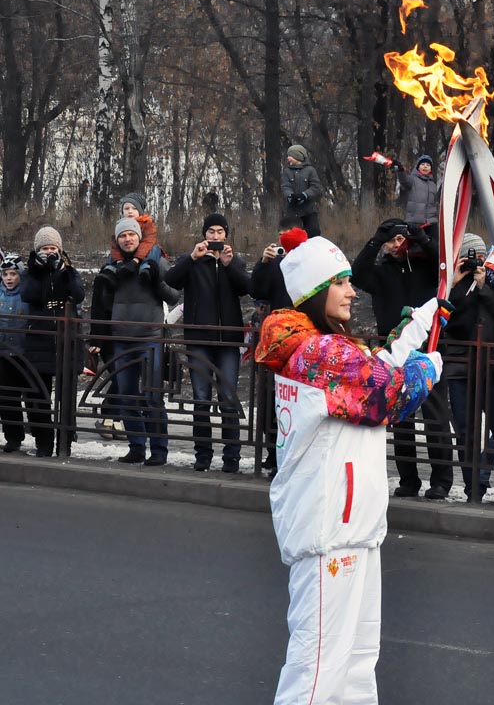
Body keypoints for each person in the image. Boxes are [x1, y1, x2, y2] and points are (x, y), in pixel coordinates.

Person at [255, 233, 444, 704]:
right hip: (328, 531)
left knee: (358, 668)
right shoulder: (317, 355)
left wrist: (418, 326)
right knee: (317, 671)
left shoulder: (325, 348)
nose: (352, 290)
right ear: (315, 291)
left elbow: (371, 367)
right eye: (340, 282)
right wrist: (426, 371)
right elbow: (386, 394)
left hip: (356, 526)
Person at [351, 217, 453, 499]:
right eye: (392, 241)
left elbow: (444, 268)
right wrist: (375, 240)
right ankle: (408, 479)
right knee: (400, 419)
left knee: (436, 417)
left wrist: (420, 238)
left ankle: (441, 480)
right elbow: (357, 274)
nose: (397, 245)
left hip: (427, 347)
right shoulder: (381, 272)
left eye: (400, 240)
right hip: (394, 351)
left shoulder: (424, 268)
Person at [443, 233, 494, 508]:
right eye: (469, 255)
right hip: (459, 365)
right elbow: (444, 317)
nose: (474, 261)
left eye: (479, 256)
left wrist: (483, 285)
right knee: (465, 430)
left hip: (492, 366)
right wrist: (454, 283)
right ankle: (472, 487)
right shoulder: (448, 284)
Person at [88, 218, 180, 466]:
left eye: (131, 235)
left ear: (139, 237)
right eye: (122, 236)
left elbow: (173, 296)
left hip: (150, 337)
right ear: (117, 240)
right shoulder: (112, 264)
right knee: (127, 396)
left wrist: (156, 280)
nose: (127, 239)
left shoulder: (156, 260)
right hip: (121, 339)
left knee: (152, 397)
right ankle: (136, 447)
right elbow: (103, 302)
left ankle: (159, 451)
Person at [164, 213, 251, 473]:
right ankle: (203, 455)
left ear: (226, 235)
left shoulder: (233, 260)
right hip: (199, 339)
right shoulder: (192, 261)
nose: (214, 237)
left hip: (227, 341)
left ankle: (231, 457)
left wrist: (229, 264)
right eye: (210, 232)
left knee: (228, 397)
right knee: (201, 398)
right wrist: (192, 258)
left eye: (219, 232)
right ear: (204, 235)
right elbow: (170, 281)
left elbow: (248, 288)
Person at [21, 226, 85, 457]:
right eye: (45, 248)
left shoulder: (69, 270)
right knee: (37, 394)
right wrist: (39, 271)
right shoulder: (30, 273)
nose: (50, 253)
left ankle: (65, 441)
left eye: (53, 248)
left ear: (60, 250)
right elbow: (28, 295)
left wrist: (62, 272)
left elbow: (78, 294)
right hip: (40, 338)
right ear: (38, 250)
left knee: (67, 394)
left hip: (66, 338)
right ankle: (44, 441)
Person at [251, 216, 304, 474]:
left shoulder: (310, 264)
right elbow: (256, 290)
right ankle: (273, 453)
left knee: (297, 402)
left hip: (304, 340)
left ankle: (293, 456)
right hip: (277, 340)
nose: (287, 244)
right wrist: (264, 263)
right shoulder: (274, 264)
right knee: (272, 399)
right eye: (282, 238)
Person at [97, 192, 162, 286]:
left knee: (155, 249)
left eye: (134, 208)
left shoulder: (147, 224)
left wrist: (136, 260)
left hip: (145, 250)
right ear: (122, 212)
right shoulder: (120, 225)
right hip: (127, 250)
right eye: (126, 208)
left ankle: (146, 268)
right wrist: (119, 262)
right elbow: (115, 244)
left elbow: (147, 242)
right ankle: (110, 272)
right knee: (114, 253)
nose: (130, 211)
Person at [0, 253, 29, 453]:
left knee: (32, 396)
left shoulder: (27, 294)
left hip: (24, 352)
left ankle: (43, 436)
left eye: (13, 274)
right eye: (5, 274)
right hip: (3, 353)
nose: (9, 278)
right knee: (7, 397)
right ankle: (13, 437)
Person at [281, 144, 323, 237]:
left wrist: (305, 195)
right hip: (292, 213)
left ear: (298, 156)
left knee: (313, 234)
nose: (288, 158)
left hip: (308, 212)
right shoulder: (287, 172)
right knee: (291, 236)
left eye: (290, 156)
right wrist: (290, 196)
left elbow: (316, 187)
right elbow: (285, 186)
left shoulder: (310, 171)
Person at [394, 155, 439, 238]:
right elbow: (404, 181)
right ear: (418, 167)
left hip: (431, 223)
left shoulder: (433, 185)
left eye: (428, 165)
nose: (425, 166)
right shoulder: (412, 180)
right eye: (423, 164)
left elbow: (435, 203)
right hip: (415, 222)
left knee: (434, 247)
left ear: (431, 169)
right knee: (416, 248)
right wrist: (400, 170)